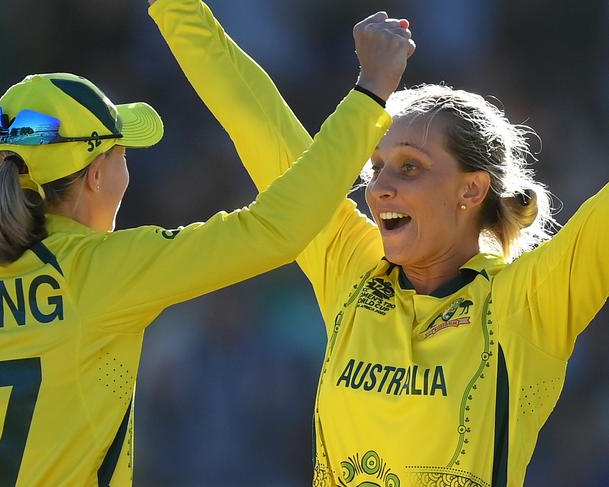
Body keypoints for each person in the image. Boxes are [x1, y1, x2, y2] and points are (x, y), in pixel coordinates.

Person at [150, 0, 609, 485]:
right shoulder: (350, 264)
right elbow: (254, 117)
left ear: (471, 190)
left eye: (410, 167)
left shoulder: (527, 304)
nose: (379, 187)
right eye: (376, 168)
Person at [0, 20, 413, 485]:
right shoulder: (105, 268)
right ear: (96, 174)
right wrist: (371, 91)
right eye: (123, 154)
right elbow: (276, 227)